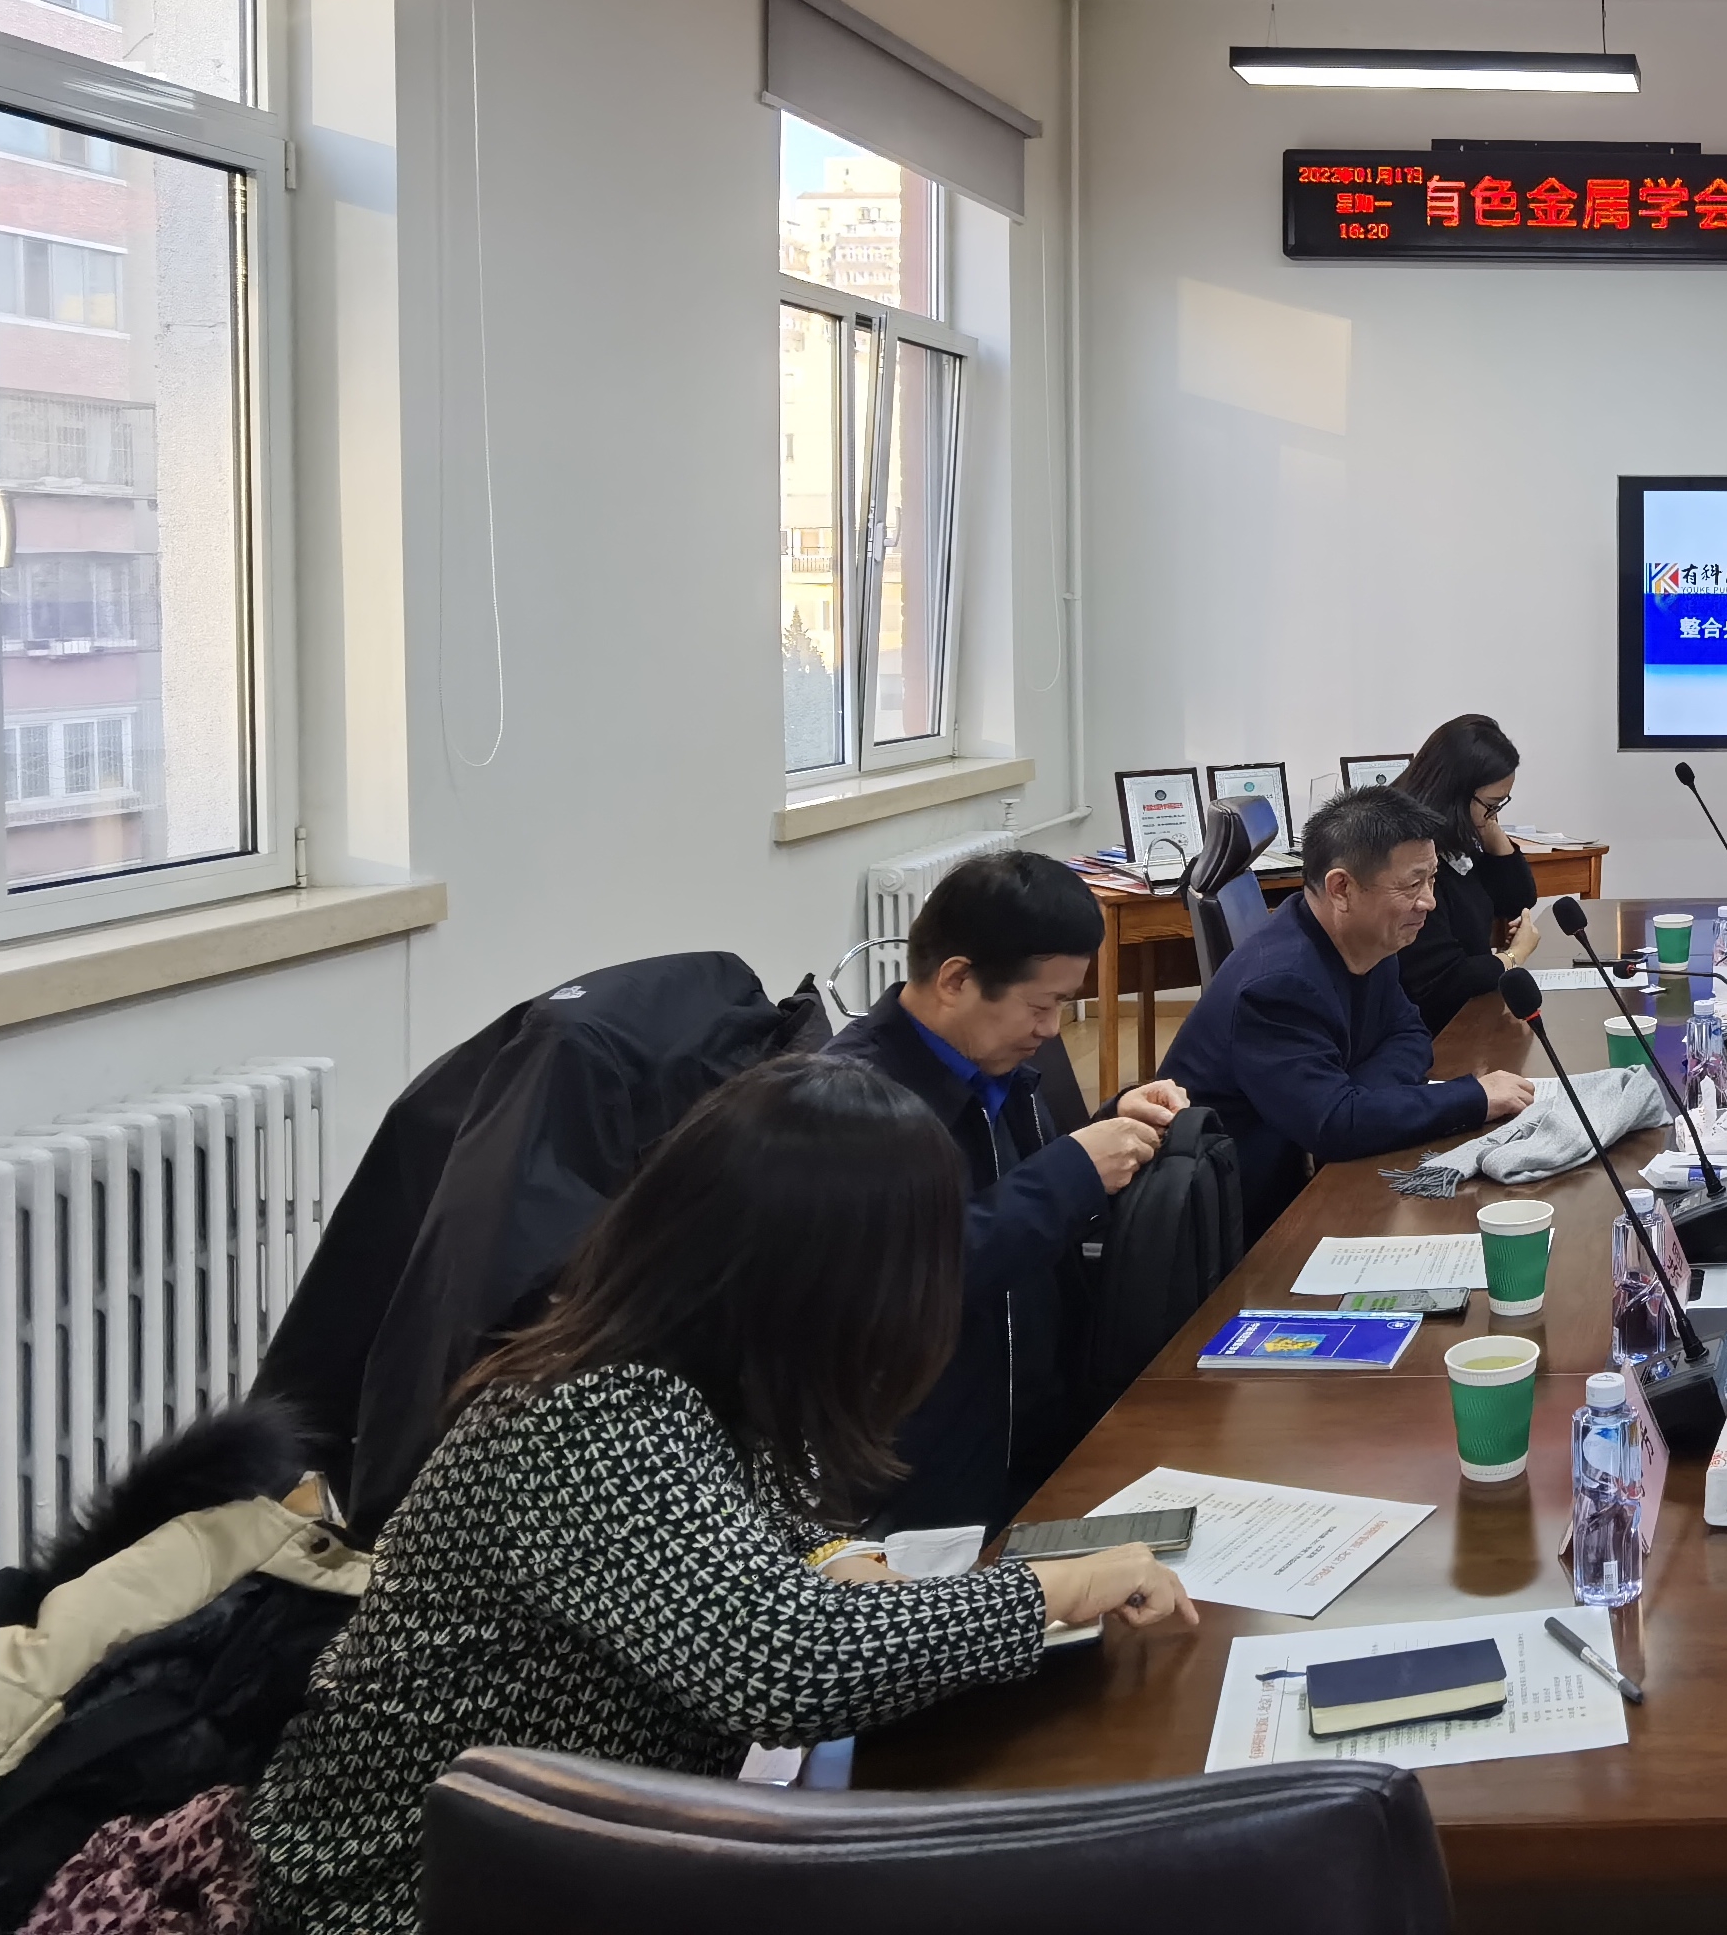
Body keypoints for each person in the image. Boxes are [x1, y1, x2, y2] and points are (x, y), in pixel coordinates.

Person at [242, 1061, 1195, 1935]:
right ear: (824, 1277)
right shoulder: (594, 1415)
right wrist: (1056, 1589)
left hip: (564, 1856)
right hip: (411, 1898)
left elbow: (764, 1551)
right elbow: (785, 1663)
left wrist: (833, 1564)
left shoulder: (696, 1377)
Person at [818, 850, 1186, 1532]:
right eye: (1041, 1005)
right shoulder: (851, 1105)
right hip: (929, 1484)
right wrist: (1074, 1170)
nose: (1050, 1030)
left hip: (1035, 1434)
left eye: (1063, 1005)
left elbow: (1014, 1191)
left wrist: (1113, 1128)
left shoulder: (990, 1061)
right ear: (956, 979)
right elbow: (916, 1277)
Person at [1162, 786, 1537, 1249]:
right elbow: (1334, 1127)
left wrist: (1360, 1100)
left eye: (1432, 879)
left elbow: (1409, 1032)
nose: (1429, 901)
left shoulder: (1370, 937)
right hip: (1236, 1225)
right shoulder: (1277, 985)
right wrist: (1474, 1098)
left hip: (1308, 1174)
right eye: (1412, 884)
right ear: (1341, 889)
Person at [1390, 712, 1541, 1032]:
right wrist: (1515, 955)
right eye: (1491, 804)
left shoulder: (1455, 833)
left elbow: (1517, 899)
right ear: (1454, 793)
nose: (1493, 813)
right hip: (1430, 1028)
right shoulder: (1410, 852)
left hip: (1464, 1013)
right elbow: (1443, 982)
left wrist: (1488, 823)